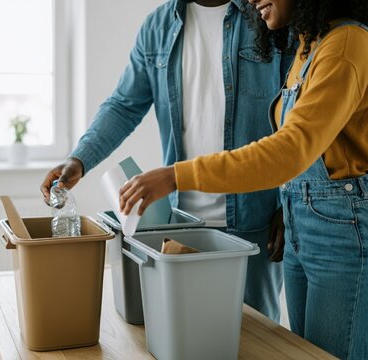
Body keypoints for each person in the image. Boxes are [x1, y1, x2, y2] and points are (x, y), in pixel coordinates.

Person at [118, 0, 368, 358]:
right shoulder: (310, 46)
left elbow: (289, 150)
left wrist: (177, 175)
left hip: (343, 235)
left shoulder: (347, 44)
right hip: (305, 230)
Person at [41, 0, 295, 322]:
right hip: (182, 223)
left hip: (255, 221)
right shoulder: (157, 28)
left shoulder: (267, 16)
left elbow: (297, 119)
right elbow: (123, 105)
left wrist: (290, 204)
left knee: (255, 341)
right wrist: (79, 159)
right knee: (187, 333)